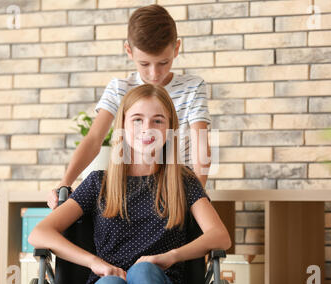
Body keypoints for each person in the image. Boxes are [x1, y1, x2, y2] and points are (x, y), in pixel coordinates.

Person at [29, 84, 231, 284]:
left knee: (143, 273)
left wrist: (170, 257)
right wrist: (94, 263)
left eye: (158, 120)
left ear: (170, 128)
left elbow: (220, 237)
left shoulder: (184, 181)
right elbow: (39, 233)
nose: (147, 128)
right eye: (137, 119)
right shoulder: (99, 183)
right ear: (123, 125)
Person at [47, 4, 212, 210]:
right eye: (144, 64)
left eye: (163, 62)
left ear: (176, 48)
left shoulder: (192, 88)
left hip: (179, 190)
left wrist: (196, 198)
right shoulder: (119, 88)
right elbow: (93, 139)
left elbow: (200, 143)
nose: (154, 74)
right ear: (129, 51)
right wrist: (65, 183)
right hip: (133, 192)